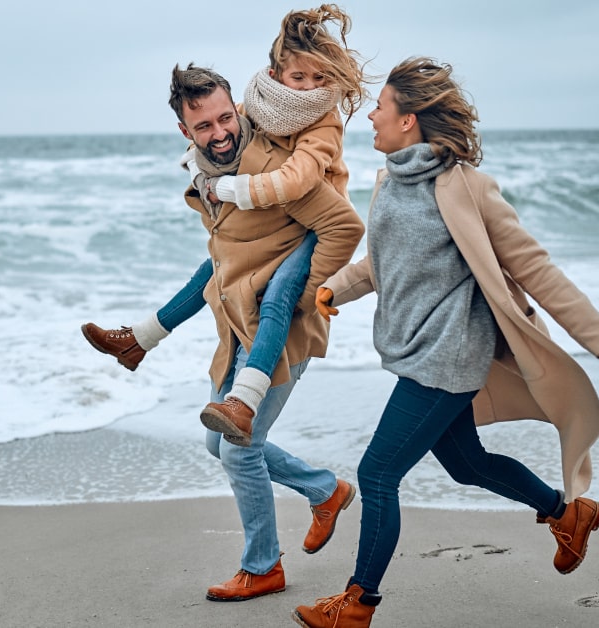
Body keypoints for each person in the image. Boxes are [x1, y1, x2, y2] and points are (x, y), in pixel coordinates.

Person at [292, 57, 599, 627]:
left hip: (448, 357)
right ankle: (565, 514)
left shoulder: (467, 188)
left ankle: (357, 604)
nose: (371, 115)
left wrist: (598, 336)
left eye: (381, 106)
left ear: (410, 119)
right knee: (467, 464)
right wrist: (338, 286)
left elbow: (532, 265)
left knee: (377, 476)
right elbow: (386, 261)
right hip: (412, 351)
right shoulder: (390, 179)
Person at [90, 63, 366, 603]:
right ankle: (323, 489)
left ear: (237, 109)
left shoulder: (273, 169)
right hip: (238, 326)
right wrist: (152, 329)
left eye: (225, 119)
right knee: (218, 442)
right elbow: (220, 262)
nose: (220, 134)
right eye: (204, 126)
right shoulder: (206, 176)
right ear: (185, 132)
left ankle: (262, 566)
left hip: (278, 330)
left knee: (240, 448)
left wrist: (302, 297)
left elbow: (345, 226)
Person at [82, 4, 368, 447]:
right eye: (299, 78)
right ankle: (140, 338)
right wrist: (201, 173)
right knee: (214, 265)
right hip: (275, 214)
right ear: (276, 76)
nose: (310, 88)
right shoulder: (259, 107)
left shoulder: (322, 119)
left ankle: (245, 400)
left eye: (319, 78)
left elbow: (301, 180)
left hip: (312, 226)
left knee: (278, 296)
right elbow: (226, 135)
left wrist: (228, 188)